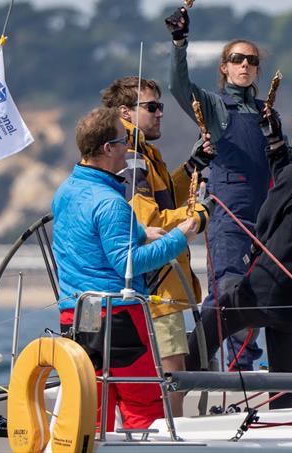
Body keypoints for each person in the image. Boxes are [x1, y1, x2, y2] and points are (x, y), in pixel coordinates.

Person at [186, 104, 292, 409]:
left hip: (265, 291)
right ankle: (282, 430)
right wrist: (278, 149)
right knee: (283, 387)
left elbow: (264, 219)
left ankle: (177, 383)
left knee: (209, 326)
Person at [52, 106, 198, 431]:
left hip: (74, 315)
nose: (127, 150)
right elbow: (128, 264)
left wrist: (141, 232)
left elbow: (88, 237)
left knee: (93, 411)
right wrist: (180, 237)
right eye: (123, 143)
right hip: (118, 317)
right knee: (144, 408)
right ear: (107, 149)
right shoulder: (112, 203)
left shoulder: (66, 192)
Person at [166, 6, 281, 370]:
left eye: (251, 60)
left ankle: (202, 364)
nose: (244, 65)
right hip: (228, 219)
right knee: (232, 294)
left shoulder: (269, 114)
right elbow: (178, 87)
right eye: (236, 59)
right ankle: (239, 372)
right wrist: (179, 42)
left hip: (264, 221)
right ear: (224, 67)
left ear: (258, 69)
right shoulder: (215, 107)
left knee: (238, 297)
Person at [101, 76, 212, 417]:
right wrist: (199, 214)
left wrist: (191, 166)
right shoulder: (133, 157)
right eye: (151, 107)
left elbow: (163, 197)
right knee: (171, 379)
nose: (160, 113)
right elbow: (148, 220)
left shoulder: (143, 153)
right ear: (126, 112)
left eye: (160, 106)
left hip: (152, 287)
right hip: (158, 288)